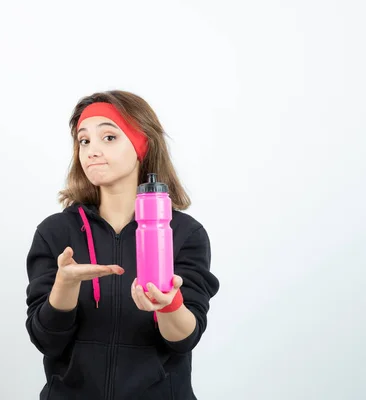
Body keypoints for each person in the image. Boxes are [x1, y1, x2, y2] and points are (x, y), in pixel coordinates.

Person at [25, 90, 220, 400]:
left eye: (109, 138)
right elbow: (46, 341)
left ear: (141, 145)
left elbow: (184, 339)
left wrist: (168, 304)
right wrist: (64, 284)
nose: (91, 150)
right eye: (84, 141)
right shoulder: (55, 232)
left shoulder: (183, 233)